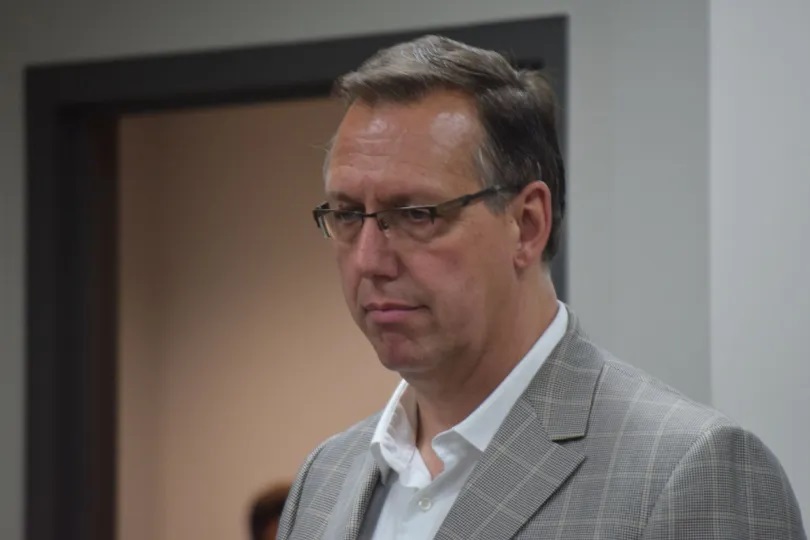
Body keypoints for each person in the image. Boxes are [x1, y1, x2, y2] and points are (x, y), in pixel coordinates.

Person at [278, 35, 806, 539]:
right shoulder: (325, 479)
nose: (369, 260)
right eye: (347, 214)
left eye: (417, 214)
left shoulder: (689, 472)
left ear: (527, 224)